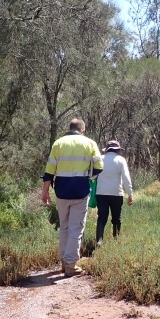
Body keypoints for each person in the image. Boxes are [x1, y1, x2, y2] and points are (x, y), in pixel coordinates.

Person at [41, 118, 103, 276]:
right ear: (82, 130)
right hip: (80, 191)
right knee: (76, 228)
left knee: (65, 227)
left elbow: (49, 171)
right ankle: (70, 265)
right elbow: (99, 167)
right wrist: (90, 177)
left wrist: (45, 192)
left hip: (61, 191)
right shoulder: (89, 143)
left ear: (69, 128)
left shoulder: (58, 143)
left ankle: (64, 261)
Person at [94, 140, 133, 247]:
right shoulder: (121, 160)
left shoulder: (100, 159)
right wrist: (130, 194)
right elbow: (126, 178)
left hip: (101, 193)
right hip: (116, 193)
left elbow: (92, 176)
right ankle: (116, 241)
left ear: (107, 149)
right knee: (116, 217)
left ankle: (99, 241)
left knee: (102, 217)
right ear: (118, 150)